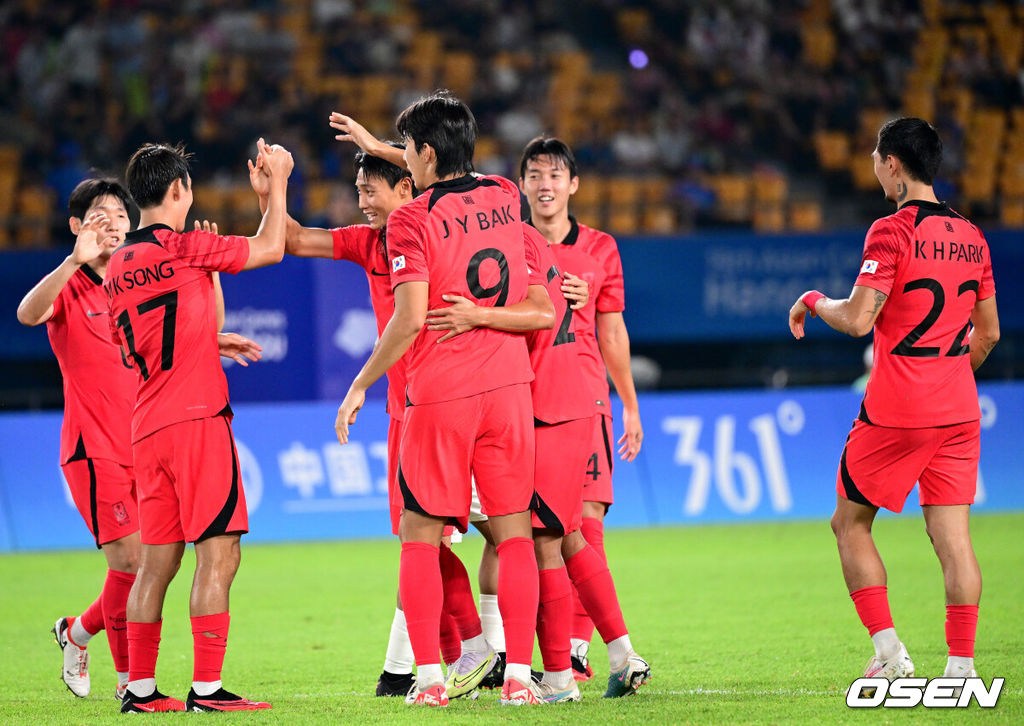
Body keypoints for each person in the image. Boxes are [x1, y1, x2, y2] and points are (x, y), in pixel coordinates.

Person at [333, 92, 552, 707]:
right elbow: (537, 304)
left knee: (419, 535)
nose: (404, 159)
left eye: (407, 149)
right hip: (508, 388)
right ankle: (516, 678)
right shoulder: (508, 196)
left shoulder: (410, 218)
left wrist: (360, 385)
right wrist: (485, 316)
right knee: (513, 537)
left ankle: (427, 679)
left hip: (441, 392)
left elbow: (407, 321)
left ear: (426, 154)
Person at [788, 117, 999, 685]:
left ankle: (889, 653)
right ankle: (961, 668)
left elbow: (858, 319)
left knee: (849, 524)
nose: (873, 166)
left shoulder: (892, 230)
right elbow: (989, 334)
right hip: (959, 409)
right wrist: (949, 374)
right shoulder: (973, 236)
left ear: (894, 165)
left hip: (897, 408)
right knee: (953, 541)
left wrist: (812, 298)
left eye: (876, 157)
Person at [106, 139, 291, 713]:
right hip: (197, 421)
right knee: (220, 552)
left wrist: (207, 340)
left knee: (156, 563)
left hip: (146, 426)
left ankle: (139, 691)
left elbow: (143, 339)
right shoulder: (187, 246)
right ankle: (208, 690)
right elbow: (271, 247)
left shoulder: (115, 266)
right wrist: (276, 185)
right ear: (179, 190)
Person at [518, 136, 645, 682]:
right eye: (535, 174)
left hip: (586, 400)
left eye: (555, 175)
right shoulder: (509, 243)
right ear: (522, 184)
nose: (545, 184)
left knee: (583, 522)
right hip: (524, 404)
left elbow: (612, 331)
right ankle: (578, 651)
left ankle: (573, 649)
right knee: (543, 531)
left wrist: (631, 406)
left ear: (573, 184)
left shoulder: (600, 248)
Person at [17, 179, 139, 701]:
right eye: (98, 214)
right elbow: (27, 313)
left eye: (119, 213)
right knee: (130, 564)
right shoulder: (68, 286)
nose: (111, 221)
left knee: (146, 569)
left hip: (145, 446)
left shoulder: (138, 283)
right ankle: (133, 685)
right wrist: (72, 261)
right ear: (77, 226)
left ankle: (77, 632)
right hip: (94, 450)